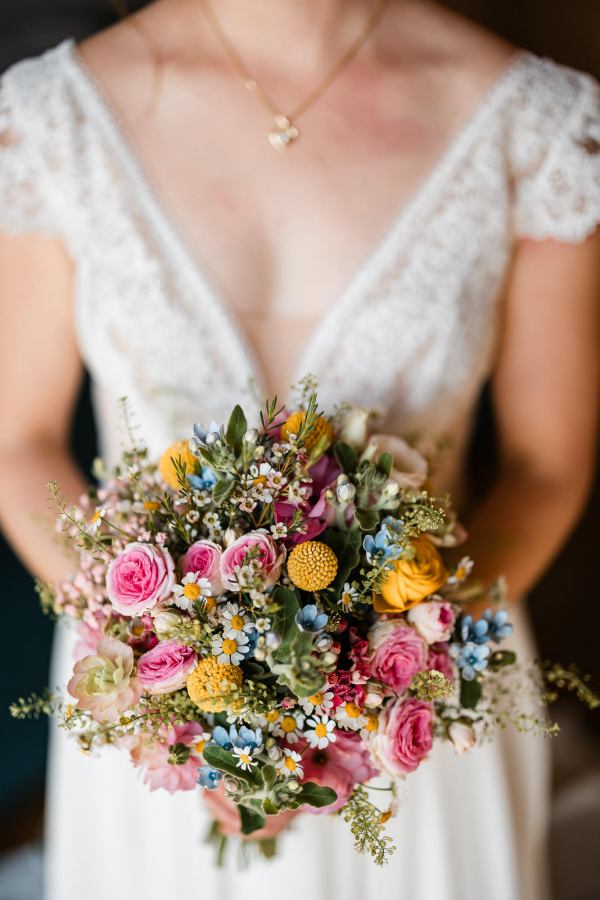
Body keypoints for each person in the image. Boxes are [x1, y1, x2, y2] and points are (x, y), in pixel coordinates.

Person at [0, 1, 599, 898]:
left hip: (421, 717)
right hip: (155, 717)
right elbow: (20, 443)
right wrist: (172, 694)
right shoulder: (54, 116)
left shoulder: (538, 124)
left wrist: (388, 676)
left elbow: (545, 468)